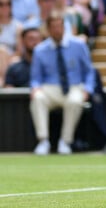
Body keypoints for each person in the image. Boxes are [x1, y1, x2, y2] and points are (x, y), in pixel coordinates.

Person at [29, 11, 96, 155]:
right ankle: (43, 141)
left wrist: (88, 90)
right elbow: (35, 78)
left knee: (75, 101)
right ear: (48, 29)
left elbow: (89, 71)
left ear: (64, 27)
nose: (57, 30)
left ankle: (65, 141)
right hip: (50, 88)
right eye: (53, 27)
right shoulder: (40, 50)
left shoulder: (78, 45)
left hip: (74, 86)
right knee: (38, 98)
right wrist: (35, 88)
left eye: (59, 26)